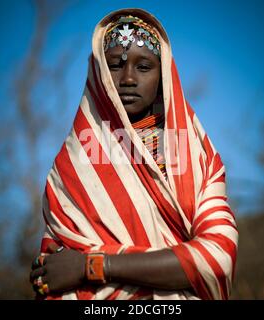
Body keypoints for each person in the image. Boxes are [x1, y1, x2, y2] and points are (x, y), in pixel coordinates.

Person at [30, 8, 238, 300]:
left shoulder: (200, 158)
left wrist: (93, 265)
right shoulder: (71, 167)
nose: (128, 78)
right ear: (99, 71)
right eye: (115, 65)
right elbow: (53, 274)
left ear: (163, 73)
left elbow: (218, 257)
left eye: (143, 67)